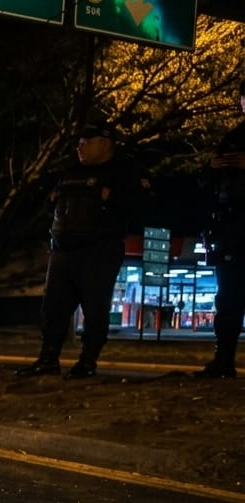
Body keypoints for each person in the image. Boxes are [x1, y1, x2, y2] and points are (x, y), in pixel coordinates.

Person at [15, 120, 152, 380]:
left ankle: (87, 361)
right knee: (53, 308)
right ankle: (48, 358)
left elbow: (143, 207)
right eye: (78, 144)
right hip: (63, 251)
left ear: (104, 143)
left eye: (85, 143)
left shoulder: (125, 172)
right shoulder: (70, 173)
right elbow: (50, 206)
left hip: (99, 250)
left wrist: (112, 199)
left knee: (94, 308)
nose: (80, 148)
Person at [194, 79, 245, 379]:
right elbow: (205, 184)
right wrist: (211, 167)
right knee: (228, 299)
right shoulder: (232, 138)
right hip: (232, 232)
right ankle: (223, 360)